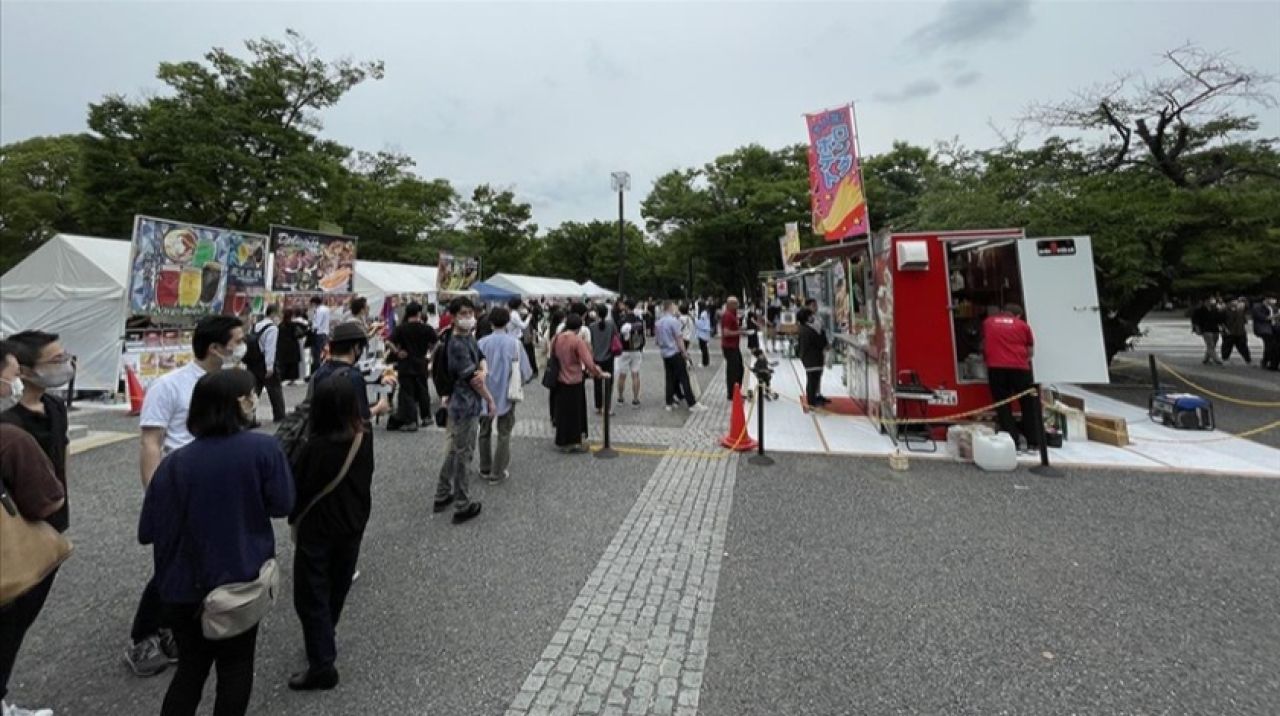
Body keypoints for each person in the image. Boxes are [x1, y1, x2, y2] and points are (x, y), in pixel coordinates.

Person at [139, 369, 294, 716]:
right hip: (238, 581)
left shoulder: (173, 464)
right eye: (252, 395)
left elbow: (147, 530)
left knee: (190, 670)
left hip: (180, 587)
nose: (256, 400)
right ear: (240, 402)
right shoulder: (263, 449)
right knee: (236, 667)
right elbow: (283, 504)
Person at [126, 315, 246, 677]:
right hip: (179, 488)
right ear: (215, 347)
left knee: (206, 561)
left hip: (219, 488)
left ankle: (180, 627)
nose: (243, 345)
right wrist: (155, 493)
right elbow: (151, 441)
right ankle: (143, 636)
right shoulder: (171, 385)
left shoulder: (228, 383)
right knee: (172, 564)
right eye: (238, 339)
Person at [286, 374, 376, 691]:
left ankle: (322, 664)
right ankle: (325, 635)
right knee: (338, 584)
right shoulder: (363, 436)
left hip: (317, 528)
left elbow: (297, 488)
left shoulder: (315, 446)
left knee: (310, 595)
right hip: (353, 523)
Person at [0, 341, 66, 716]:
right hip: (11, 559)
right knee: (7, 633)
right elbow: (49, 501)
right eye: (9, 376)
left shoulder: (53, 410)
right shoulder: (11, 438)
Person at [433, 298, 494, 523]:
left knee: (454, 451)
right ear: (454, 315)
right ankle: (462, 504)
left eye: (471, 312)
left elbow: (480, 357)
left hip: (462, 403)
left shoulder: (466, 336)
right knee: (464, 454)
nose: (469, 317)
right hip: (465, 405)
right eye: (464, 313)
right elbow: (472, 378)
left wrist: (484, 370)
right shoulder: (457, 343)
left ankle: (442, 493)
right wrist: (490, 400)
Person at [477, 307, 533, 482]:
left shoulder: (481, 343)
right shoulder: (515, 343)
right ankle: (498, 471)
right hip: (507, 393)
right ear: (508, 321)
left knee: (484, 431)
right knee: (504, 432)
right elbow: (526, 372)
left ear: (491, 322)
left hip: (484, 393)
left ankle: (485, 467)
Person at [982, 303, 1040, 452]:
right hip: (1020, 368)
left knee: (1003, 404)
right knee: (1028, 404)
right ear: (1018, 315)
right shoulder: (1023, 326)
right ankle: (1033, 441)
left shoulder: (988, 322)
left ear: (1002, 312)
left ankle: (1012, 440)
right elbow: (1030, 351)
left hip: (996, 367)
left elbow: (984, 343)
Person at [312, 322, 393, 427]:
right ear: (356, 347)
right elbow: (362, 416)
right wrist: (379, 407)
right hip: (346, 437)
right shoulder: (354, 376)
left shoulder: (320, 372)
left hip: (323, 434)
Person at [550, 313, 608, 452]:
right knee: (575, 413)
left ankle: (562, 440)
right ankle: (574, 442)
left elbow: (552, 355)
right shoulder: (577, 341)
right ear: (579, 327)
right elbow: (588, 361)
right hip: (574, 379)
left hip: (560, 379)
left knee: (563, 412)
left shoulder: (557, 338)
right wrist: (598, 373)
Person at [386, 302, 437, 432]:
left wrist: (397, 352)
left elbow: (388, 341)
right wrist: (430, 355)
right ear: (419, 313)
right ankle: (426, 417)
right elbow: (437, 343)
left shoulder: (401, 328)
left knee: (407, 393)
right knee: (423, 391)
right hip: (421, 363)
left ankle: (411, 421)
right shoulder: (426, 328)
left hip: (406, 364)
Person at [657, 302, 706, 413]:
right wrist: (684, 352)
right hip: (675, 352)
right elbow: (679, 338)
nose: (676, 309)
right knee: (684, 378)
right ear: (670, 308)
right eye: (674, 307)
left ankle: (669, 402)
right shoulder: (674, 322)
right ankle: (692, 403)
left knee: (669, 377)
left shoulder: (659, 322)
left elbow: (657, 340)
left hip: (665, 353)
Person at [250, 305, 287, 423]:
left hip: (254, 362)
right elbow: (270, 348)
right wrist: (270, 366)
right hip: (265, 363)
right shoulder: (272, 328)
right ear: (273, 314)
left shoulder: (256, 326)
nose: (281, 316)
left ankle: (250, 419)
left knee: (254, 391)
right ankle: (279, 416)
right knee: (275, 390)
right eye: (279, 313)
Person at [796, 308, 829, 408]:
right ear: (807, 318)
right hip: (812, 359)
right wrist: (821, 331)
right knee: (812, 380)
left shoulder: (804, 329)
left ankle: (813, 399)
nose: (813, 317)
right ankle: (812, 402)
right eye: (811, 316)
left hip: (810, 358)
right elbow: (820, 342)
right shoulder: (809, 330)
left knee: (813, 379)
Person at [615, 300, 646, 409]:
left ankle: (620, 397)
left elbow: (618, 334)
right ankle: (636, 399)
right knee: (635, 374)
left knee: (622, 375)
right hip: (636, 349)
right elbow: (643, 336)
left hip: (624, 350)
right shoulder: (639, 320)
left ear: (626, 307)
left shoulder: (622, 320)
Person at [589, 305, 619, 415]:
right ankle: (607, 407)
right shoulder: (611, 325)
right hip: (608, 357)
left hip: (596, 357)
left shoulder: (592, 326)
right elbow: (616, 337)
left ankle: (598, 406)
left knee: (597, 383)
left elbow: (590, 341)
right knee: (608, 383)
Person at [720, 297, 744, 400]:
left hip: (734, 346)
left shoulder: (733, 314)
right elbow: (726, 332)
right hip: (729, 347)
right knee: (733, 371)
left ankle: (736, 392)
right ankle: (732, 394)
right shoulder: (728, 315)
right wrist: (739, 332)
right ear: (730, 304)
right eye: (736, 304)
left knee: (739, 369)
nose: (737, 306)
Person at [1191, 298, 1225, 366]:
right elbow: (1195, 320)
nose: (1209, 302)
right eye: (1208, 301)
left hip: (1215, 329)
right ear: (1204, 302)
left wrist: (1222, 327)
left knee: (1212, 345)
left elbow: (1219, 319)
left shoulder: (1214, 309)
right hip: (1205, 329)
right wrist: (1197, 329)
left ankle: (1206, 359)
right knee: (1210, 345)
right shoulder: (1199, 310)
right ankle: (1217, 359)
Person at [1220, 298, 1252, 365]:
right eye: (1233, 301)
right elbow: (1221, 321)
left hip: (1240, 331)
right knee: (1227, 346)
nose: (1235, 302)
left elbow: (1244, 319)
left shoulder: (1240, 310)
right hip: (1229, 332)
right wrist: (1225, 329)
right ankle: (1225, 358)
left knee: (1243, 346)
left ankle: (1248, 359)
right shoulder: (1224, 310)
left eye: (1236, 301)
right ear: (1229, 303)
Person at [1253, 296, 1278, 371]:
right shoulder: (1257, 307)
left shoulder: (1274, 308)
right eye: (1272, 299)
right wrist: (1275, 316)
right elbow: (1261, 318)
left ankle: (1266, 361)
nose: (1274, 301)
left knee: (1270, 345)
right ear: (1266, 299)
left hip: (1274, 329)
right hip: (1263, 329)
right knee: (1270, 344)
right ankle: (1267, 361)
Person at [308, 297, 331, 378]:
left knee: (317, 355)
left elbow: (316, 324)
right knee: (324, 353)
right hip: (325, 333)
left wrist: (310, 326)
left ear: (314, 303)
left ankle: (316, 373)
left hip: (319, 334)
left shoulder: (319, 310)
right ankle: (324, 371)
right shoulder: (326, 309)